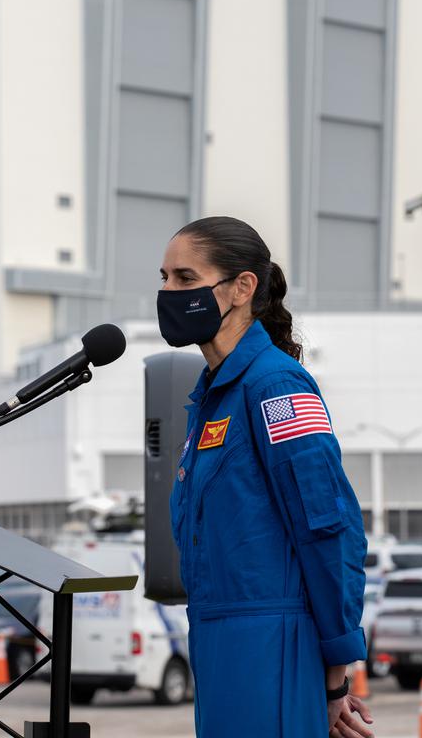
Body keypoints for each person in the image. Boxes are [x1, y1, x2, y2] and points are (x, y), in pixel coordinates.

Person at [160, 217, 373, 738]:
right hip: (216, 641)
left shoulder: (275, 385)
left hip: (271, 647)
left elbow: (327, 526)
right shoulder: (212, 397)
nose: (167, 292)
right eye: (163, 277)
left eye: (185, 279)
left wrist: (333, 679)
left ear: (242, 287)